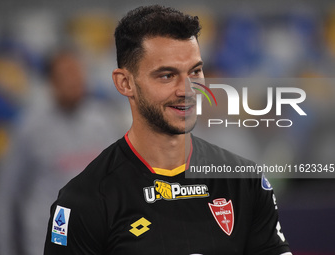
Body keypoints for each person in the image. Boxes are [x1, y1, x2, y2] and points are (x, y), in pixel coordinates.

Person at [44, 5, 292, 255]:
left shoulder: (245, 182)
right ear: (125, 82)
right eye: (166, 75)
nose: (187, 90)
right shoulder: (84, 201)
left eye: (195, 71)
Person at [0, 50, 120, 255]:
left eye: (78, 73)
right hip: (45, 242)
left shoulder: (104, 121)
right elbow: (7, 196)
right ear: (51, 82)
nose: (74, 81)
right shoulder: (29, 127)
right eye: (66, 75)